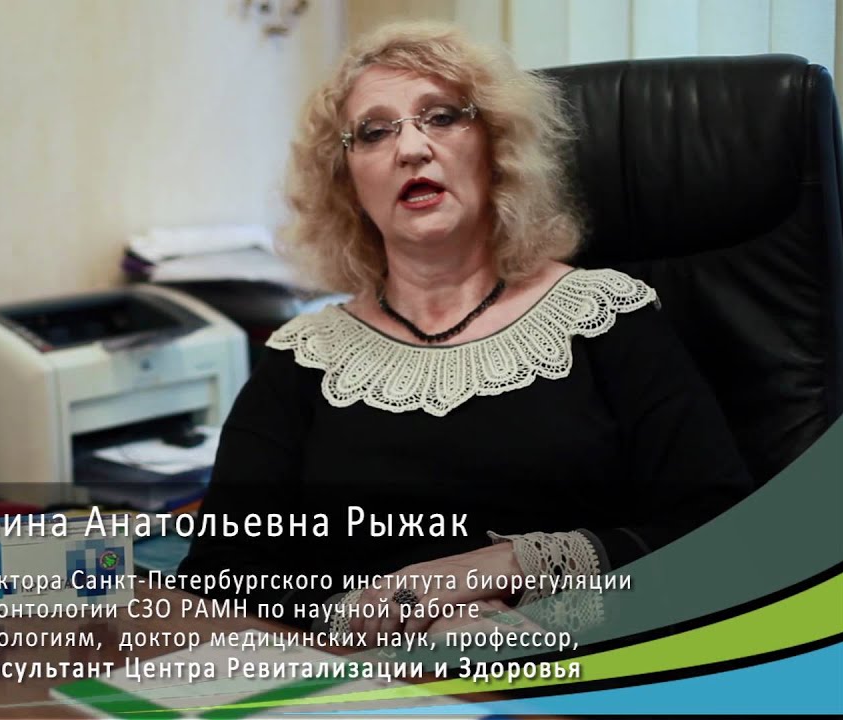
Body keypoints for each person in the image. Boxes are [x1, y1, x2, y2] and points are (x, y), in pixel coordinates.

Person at [176, 21, 753, 641]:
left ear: (495, 147)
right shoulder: (304, 359)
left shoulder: (604, 317)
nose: (410, 148)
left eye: (443, 117)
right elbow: (218, 580)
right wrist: (376, 621)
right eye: (374, 131)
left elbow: (722, 533)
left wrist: (512, 566)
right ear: (347, 181)